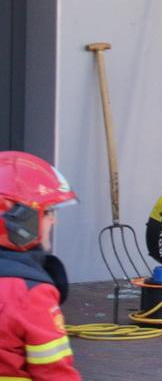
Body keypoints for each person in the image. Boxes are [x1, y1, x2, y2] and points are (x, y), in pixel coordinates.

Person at [0, 150, 81, 380]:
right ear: (19, 221)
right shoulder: (29, 292)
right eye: (48, 212)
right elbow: (54, 373)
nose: (53, 220)